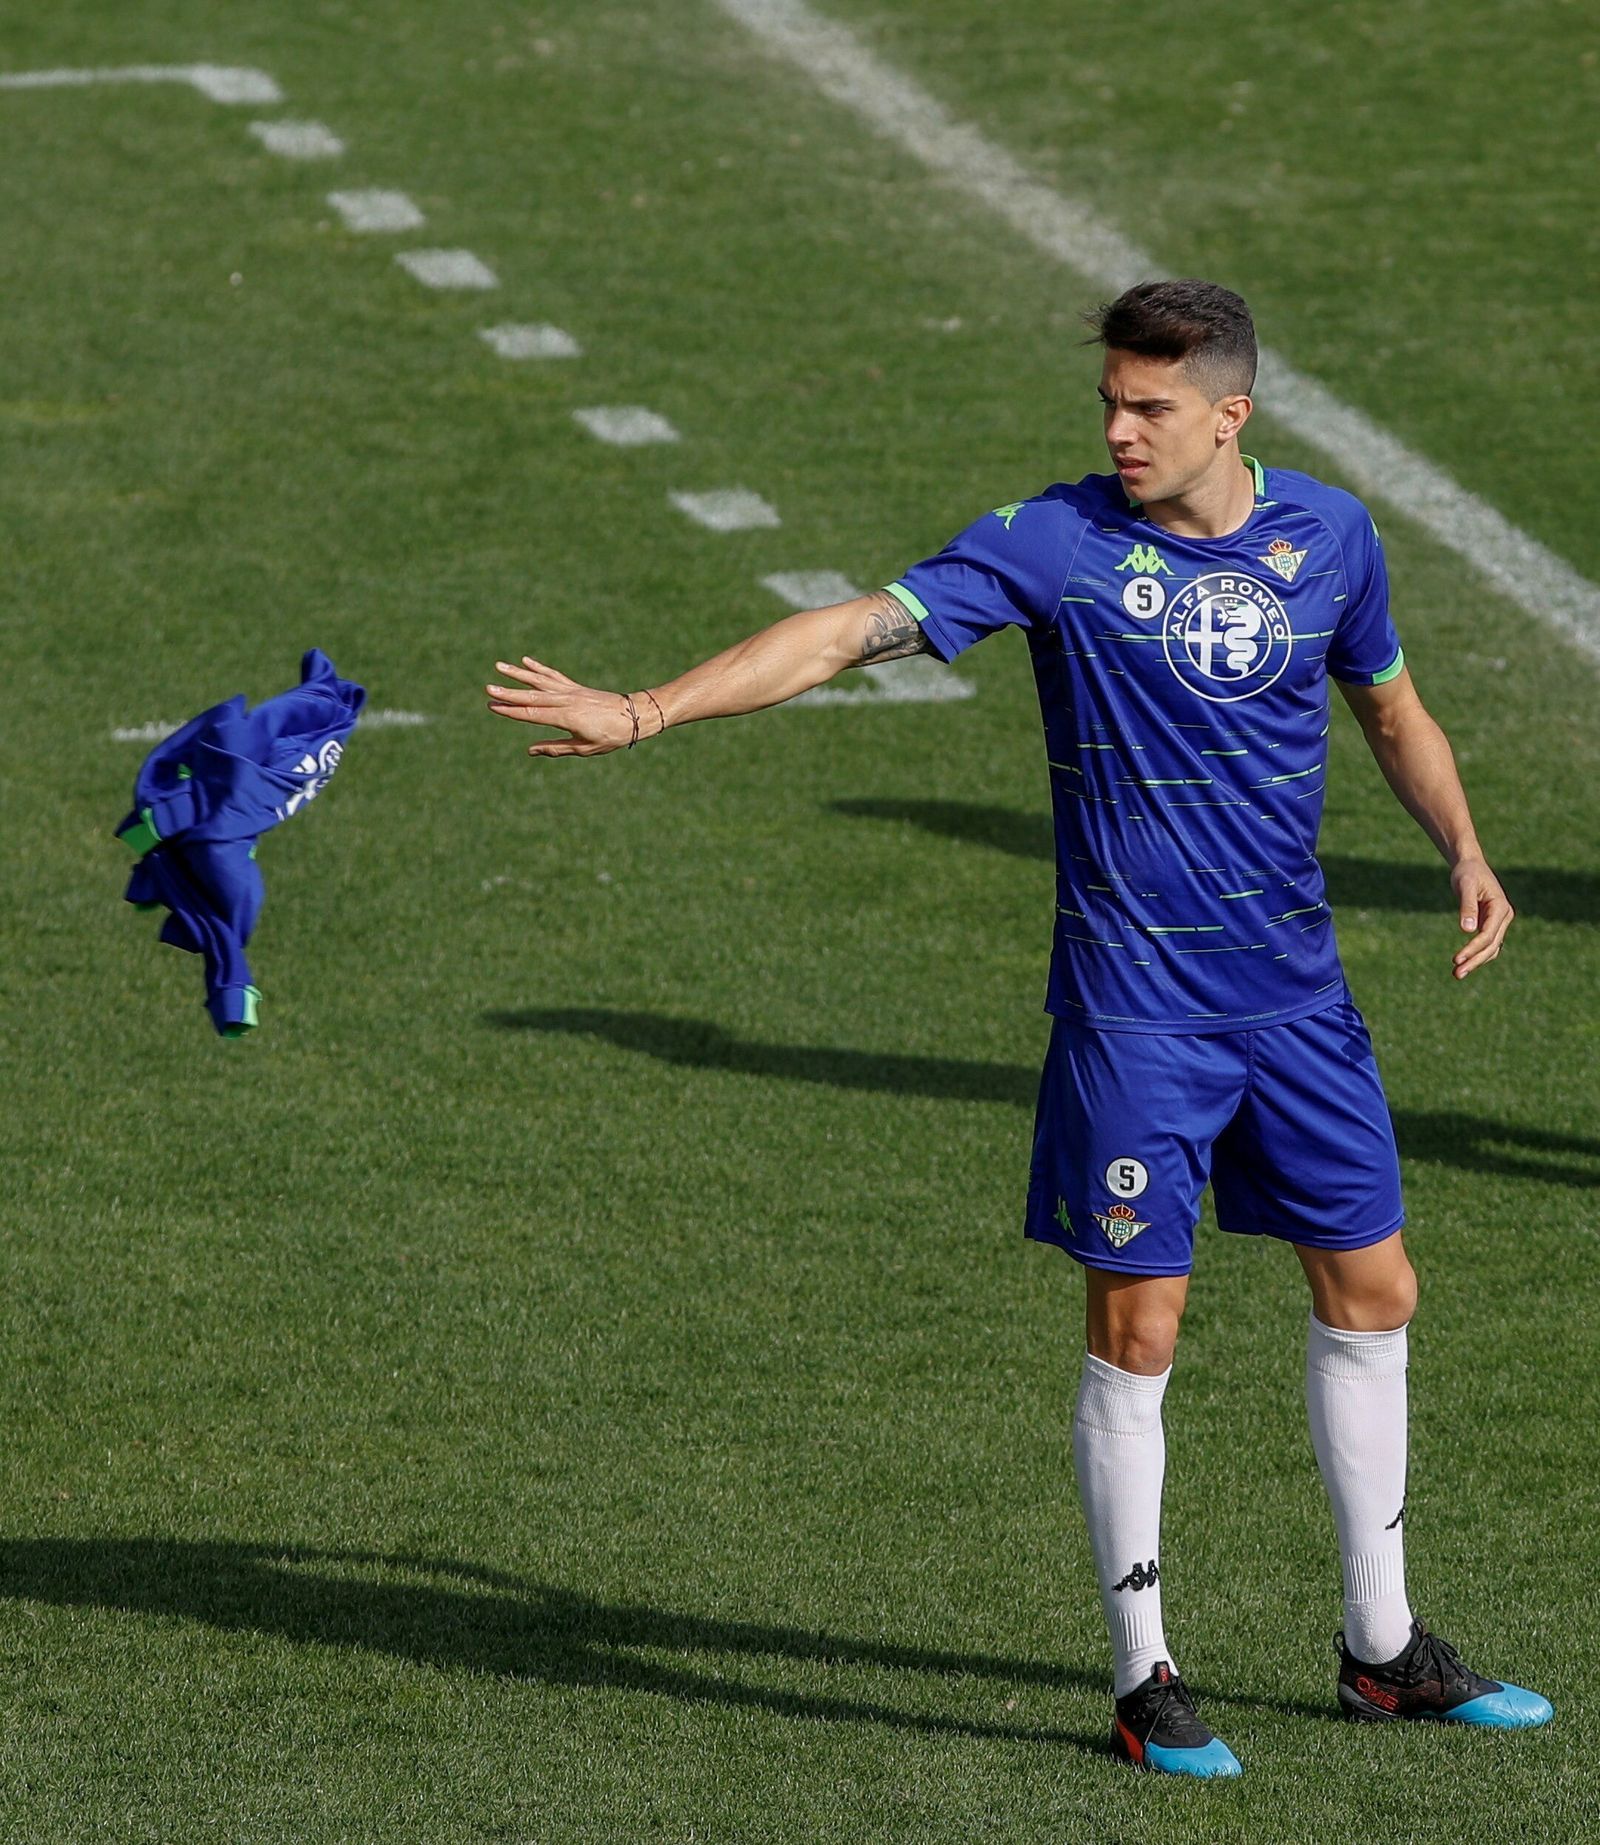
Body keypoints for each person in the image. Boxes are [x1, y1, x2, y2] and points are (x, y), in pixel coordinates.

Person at [486, 279, 1552, 1777]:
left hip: (1297, 997)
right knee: (1141, 1324)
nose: (1117, 428)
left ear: (1230, 415)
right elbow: (855, 630)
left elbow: (1389, 703)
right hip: (1136, 1009)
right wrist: (652, 708)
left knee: (1374, 1286)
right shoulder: (1054, 542)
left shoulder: (1334, 535)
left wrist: (1462, 845)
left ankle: (1382, 1650)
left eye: (1149, 407)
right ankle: (1145, 1674)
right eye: (1108, 401)